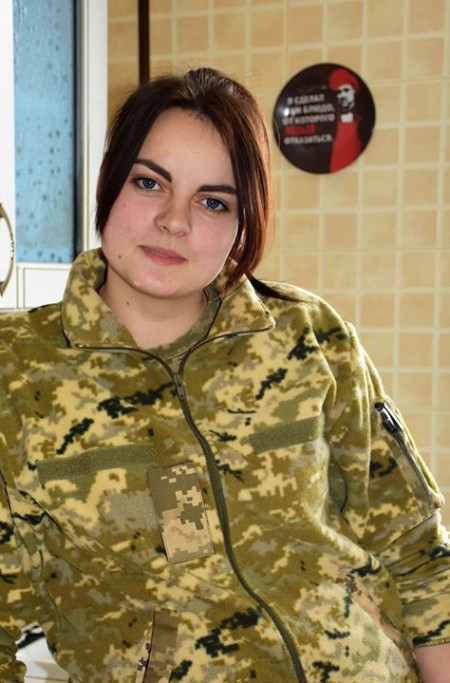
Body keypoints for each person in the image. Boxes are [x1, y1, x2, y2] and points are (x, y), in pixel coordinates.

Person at [0, 67, 448, 683]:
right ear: (109, 182)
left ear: (244, 221)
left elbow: (416, 550)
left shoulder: (306, 334)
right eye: (149, 182)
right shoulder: (18, 372)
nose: (174, 220)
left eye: (213, 201)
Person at [328, 67, 363, 173]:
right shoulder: (330, 123)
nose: (342, 95)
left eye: (346, 90)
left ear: (354, 92)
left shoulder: (363, 121)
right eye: (339, 92)